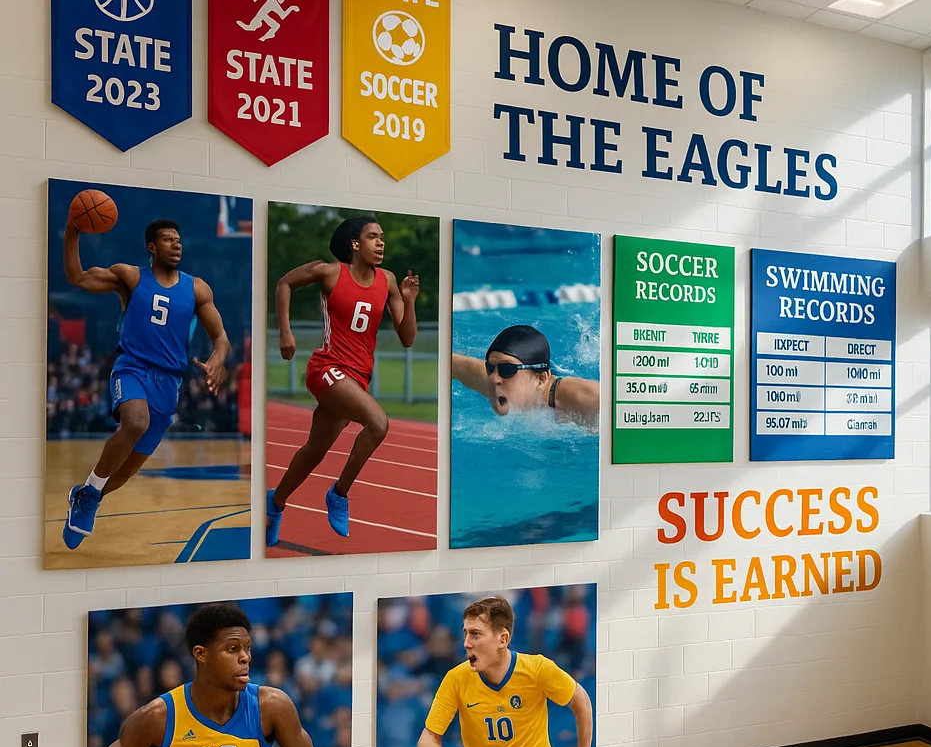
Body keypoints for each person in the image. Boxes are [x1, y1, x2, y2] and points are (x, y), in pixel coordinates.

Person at [62, 217, 231, 550]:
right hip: (133, 367)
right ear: (152, 248)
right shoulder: (131, 277)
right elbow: (78, 276)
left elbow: (221, 336)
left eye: (179, 239)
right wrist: (72, 233)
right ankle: (90, 494)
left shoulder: (197, 288)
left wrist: (218, 358)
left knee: (124, 473)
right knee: (135, 422)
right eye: (169, 239)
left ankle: (86, 494)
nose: (177, 244)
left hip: (168, 382)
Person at [86, 603, 324, 747]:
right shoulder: (157, 717)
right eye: (233, 649)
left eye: (247, 648)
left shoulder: (271, 707)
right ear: (201, 654)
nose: (246, 657)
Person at [266, 216, 419, 545]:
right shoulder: (330, 272)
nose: (381, 243)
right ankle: (339, 494)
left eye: (382, 238)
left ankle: (276, 502)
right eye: (373, 237)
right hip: (327, 368)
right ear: (355, 244)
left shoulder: (389, 280)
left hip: (357, 379)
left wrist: (408, 300)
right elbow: (284, 283)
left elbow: (407, 339)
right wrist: (286, 332)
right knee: (378, 423)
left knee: (313, 452)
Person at [416, 596, 593, 747]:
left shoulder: (538, 668)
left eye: (475, 634)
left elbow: (582, 701)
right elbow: (427, 738)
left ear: (503, 639)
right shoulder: (456, 679)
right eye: (465, 633)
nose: (466, 643)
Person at [451, 325, 599, 429]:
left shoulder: (586, 399)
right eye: (490, 368)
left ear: (540, 379)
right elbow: (449, 362)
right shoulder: (499, 384)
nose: (494, 379)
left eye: (507, 369)